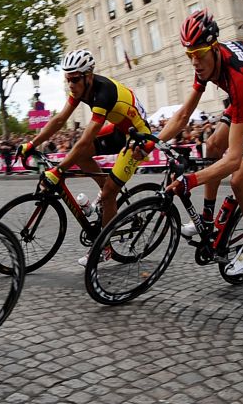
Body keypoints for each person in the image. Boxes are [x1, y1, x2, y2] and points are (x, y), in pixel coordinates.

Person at [158, 9, 243, 275]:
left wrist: (190, 180)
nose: (194, 62)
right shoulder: (207, 63)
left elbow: (233, 159)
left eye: (198, 54)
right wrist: (151, 143)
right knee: (212, 146)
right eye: (189, 55)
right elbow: (183, 114)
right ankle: (208, 219)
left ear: (214, 48)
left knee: (238, 177)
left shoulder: (237, 75)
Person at [15, 49, 152, 266]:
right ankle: (106, 198)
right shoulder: (80, 89)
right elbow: (59, 120)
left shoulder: (103, 92)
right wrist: (31, 144)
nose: (71, 84)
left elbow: (86, 138)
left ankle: (104, 246)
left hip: (139, 138)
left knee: (107, 191)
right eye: (67, 79)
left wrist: (59, 170)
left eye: (75, 79)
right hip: (120, 129)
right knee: (83, 158)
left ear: (88, 76)